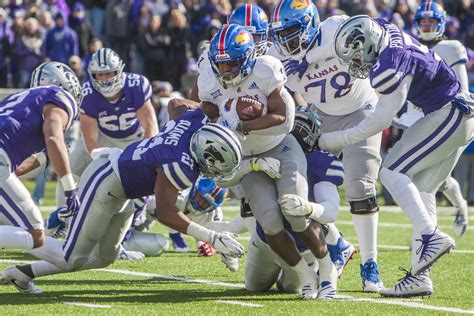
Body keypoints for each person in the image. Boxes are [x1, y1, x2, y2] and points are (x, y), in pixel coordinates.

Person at [2, 113, 245, 294]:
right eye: (217, 164)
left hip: (124, 188)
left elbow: (177, 104)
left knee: (104, 258)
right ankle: (17, 237)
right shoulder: (181, 165)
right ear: (207, 152)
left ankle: (20, 273)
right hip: (107, 180)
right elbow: (165, 212)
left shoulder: (193, 123)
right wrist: (212, 237)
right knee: (71, 256)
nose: (216, 171)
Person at [324, 15, 473, 298]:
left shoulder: (389, 61)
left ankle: (430, 235)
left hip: (449, 111)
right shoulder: (385, 30)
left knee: (390, 171)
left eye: (356, 56)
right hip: (454, 113)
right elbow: (369, 21)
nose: (356, 64)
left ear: (368, 45)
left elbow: (380, 120)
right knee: (422, 189)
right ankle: (420, 275)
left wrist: (337, 139)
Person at [198, 24, 335, 300]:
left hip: (280, 147)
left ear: (248, 57)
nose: (225, 73)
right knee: (270, 222)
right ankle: (306, 276)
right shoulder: (208, 80)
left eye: (232, 65)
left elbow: (284, 119)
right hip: (246, 157)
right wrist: (215, 124)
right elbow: (207, 112)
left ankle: (327, 269)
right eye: (220, 66)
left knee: (295, 212)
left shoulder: (265, 70)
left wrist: (241, 125)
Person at [268, 0, 383, 292]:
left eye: (292, 32)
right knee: (300, 183)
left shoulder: (335, 28)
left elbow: (374, 34)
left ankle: (370, 264)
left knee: (360, 185)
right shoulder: (277, 53)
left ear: (309, 24)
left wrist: (310, 58)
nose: (286, 40)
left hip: (361, 109)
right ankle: (337, 242)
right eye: (280, 34)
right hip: (321, 117)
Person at [0, 62, 82, 268]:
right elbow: (54, 137)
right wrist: (70, 190)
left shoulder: (18, 100)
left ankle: (22, 276)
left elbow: (16, 169)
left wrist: (46, 155)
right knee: (35, 233)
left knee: (21, 229)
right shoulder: (59, 97)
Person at [55, 48, 158, 207]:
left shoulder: (136, 86)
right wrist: (103, 159)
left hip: (133, 138)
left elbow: (150, 128)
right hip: (102, 138)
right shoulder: (87, 94)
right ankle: (62, 216)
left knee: (154, 172)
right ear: (92, 75)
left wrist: (142, 156)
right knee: (69, 171)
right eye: (100, 74)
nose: (104, 79)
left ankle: (152, 212)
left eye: (109, 73)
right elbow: (90, 139)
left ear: (119, 71)